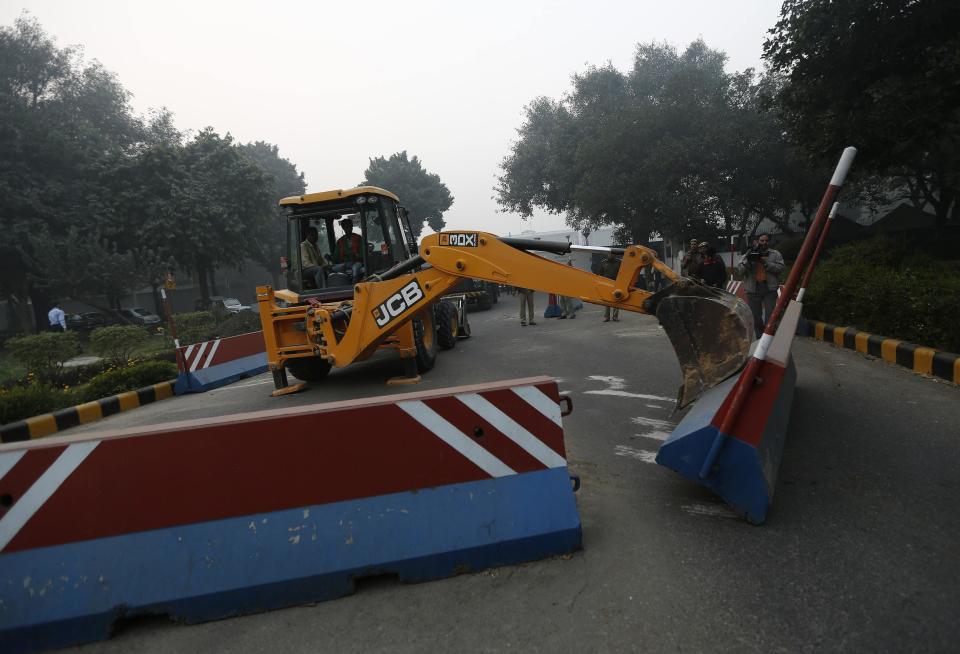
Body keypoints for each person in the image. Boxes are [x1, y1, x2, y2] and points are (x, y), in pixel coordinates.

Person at [737, 233, 785, 338]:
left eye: (766, 241)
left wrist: (765, 263)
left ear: (769, 242)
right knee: (756, 317)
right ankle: (759, 338)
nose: (764, 243)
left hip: (769, 289)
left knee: (771, 317)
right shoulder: (748, 253)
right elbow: (740, 271)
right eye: (762, 240)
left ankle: (769, 338)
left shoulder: (775, 254)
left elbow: (780, 268)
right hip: (753, 289)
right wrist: (748, 262)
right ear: (758, 241)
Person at [332, 217, 364, 282]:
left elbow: (363, 253)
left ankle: (354, 285)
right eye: (346, 227)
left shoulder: (358, 238)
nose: (348, 228)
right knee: (334, 269)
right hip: (345, 263)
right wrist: (330, 258)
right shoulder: (340, 241)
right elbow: (336, 256)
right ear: (343, 228)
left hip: (357, 262)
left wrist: (356, 256)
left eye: (349, 226)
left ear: (352, 227)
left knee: (355, 271)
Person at [601, 253, 620, 322]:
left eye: (612, 254)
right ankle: (606, 317)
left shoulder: (618, 262)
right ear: (607, 255)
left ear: (614, 255)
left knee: (616, 300)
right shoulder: (603, 263)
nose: (611, 255)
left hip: (616, 284)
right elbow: (600, 273)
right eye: (609, 254)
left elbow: (621, 273)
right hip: (606, 284)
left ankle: (615, 317)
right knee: (607, 301)